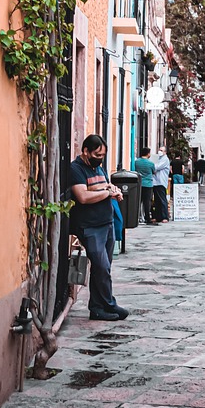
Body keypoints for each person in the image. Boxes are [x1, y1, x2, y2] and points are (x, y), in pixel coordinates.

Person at [65, 135, 129, 321]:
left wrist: (112, 190)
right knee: (101, 265)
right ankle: (108, 304)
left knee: (104, 268)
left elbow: (102, 187)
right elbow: (83, 196)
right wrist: (107, 192)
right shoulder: (76, 169)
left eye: (102, 155)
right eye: (97, 154)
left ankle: (98, 306)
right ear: (86, 151)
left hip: (106, 222)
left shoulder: (98, 168)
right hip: (90, 225)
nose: (100, 158)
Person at [133, 146, 156, 225]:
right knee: (147, 202)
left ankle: (136, 217)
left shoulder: (136, 162)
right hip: (148, 184)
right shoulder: (151, 163)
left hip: (139, 183)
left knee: (139, 201)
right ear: (148, 154)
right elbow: (154, 171)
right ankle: (147, 218)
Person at [152, 147, 172, 222]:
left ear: (165, 152)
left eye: (161, 150)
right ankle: (158, 216)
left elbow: (156, 167)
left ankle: (164, 216)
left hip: (161, 182)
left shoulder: (165, 159)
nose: (159, 151)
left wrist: (152, 166)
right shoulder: (158, 159)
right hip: (155, 182)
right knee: (157, 200)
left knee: (162, 199)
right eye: (159, 150)